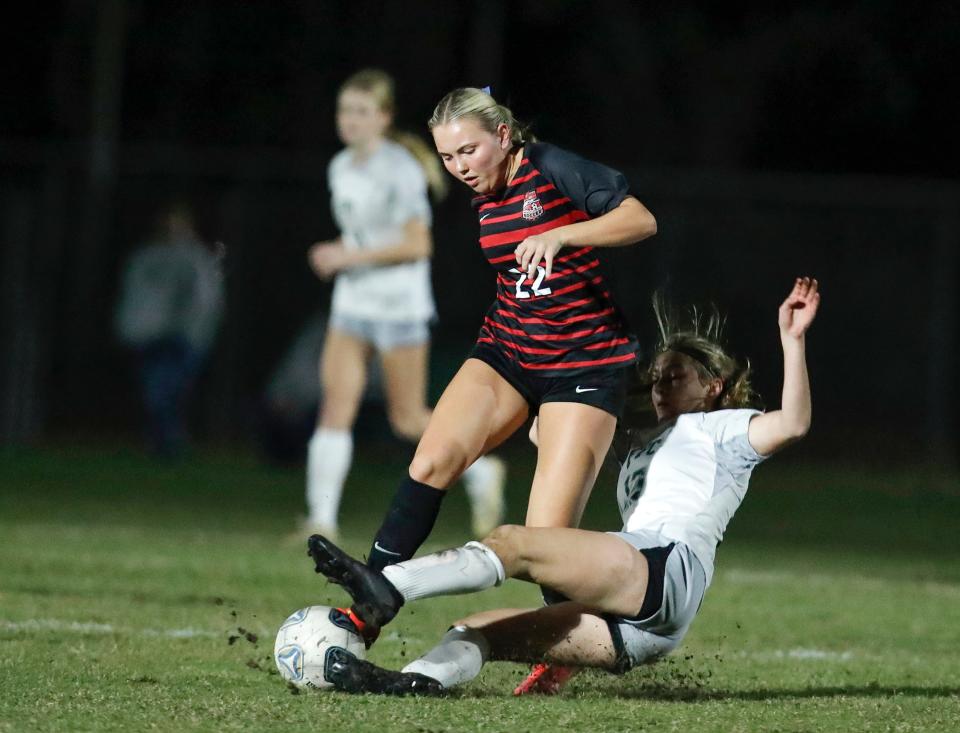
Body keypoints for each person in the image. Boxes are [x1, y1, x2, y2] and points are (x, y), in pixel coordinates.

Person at [305, 277, 821, 696]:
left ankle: (388, 587)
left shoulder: (725, 429)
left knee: (513, 542)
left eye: (676, 377)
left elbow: (794, 423)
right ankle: (409, 682)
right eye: (657, 378)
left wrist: (792, 342)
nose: (660, 387)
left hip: (665, 566)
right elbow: (543, 431)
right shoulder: (641, 445)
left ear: (712, 386)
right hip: (648, 623)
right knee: (475, 629)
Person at [359, 86, 658, 582]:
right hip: (508, 351)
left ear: (502, 134)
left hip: (583, 364)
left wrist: (561, 233)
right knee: (432, 461)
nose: (460, 167)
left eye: (468, 150)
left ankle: (582, 641)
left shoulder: (548, 165)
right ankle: (368, 599)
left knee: (544, 544)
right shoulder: (485, 195)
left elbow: (640, 219)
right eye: (447, 157)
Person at [301, 70, 506, 541]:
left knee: (408, 418)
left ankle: (480, 471)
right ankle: (321, 521)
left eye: (361, 112)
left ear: (384, 117)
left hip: (399, 308)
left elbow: (418, 245)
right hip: (352, 303)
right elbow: (367, 237)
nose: (349, 121)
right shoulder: (340, 167)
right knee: (335, 407)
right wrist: (337, 250)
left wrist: (347, 255)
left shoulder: (400, 168)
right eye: (344, 111)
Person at [114, 203, 224, 457]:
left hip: (183, 338)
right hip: (149, 336)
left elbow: (206, 300)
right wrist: (130, 329)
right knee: (154, 393)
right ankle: (163, 444)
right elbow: (133, 297)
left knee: (168, 393)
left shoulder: (197, 258)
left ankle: (168, 445)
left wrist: (194, 333)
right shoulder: (146, 256)